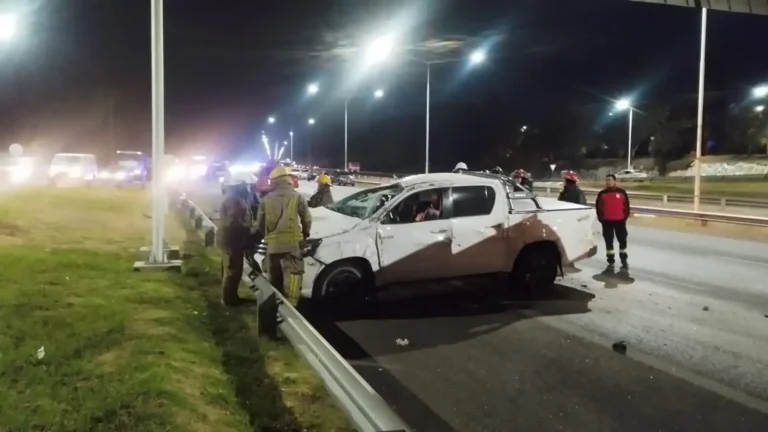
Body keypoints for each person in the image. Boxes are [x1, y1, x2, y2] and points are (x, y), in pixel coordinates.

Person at [255, 165, 312, 305]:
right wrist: (305, 234)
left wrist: (268, 236)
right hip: (293, 246)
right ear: (288, 180)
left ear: (273, 181)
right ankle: (291, 310)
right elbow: (307, 219)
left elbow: (260, 224)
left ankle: (274, 309)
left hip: (273, 247)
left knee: (274, 279)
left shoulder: (266, 200)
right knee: (293, 277)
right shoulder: (297, 196)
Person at [216, 182, 254, 306]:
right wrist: (248, 228)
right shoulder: (234, 200)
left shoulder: (232, 197)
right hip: (232, 240)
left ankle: (230, 296)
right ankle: (229, 299)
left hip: (230, 240)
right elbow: (233, 222)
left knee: (231, 269)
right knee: (232, 270)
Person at [596, 174, 631, 268]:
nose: (608, 182)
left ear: (615, 181)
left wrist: (624, 218)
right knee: (609, 241)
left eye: (610, 180)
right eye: (606, 180)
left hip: (620, 221)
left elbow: (627, 206)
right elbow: (598, 208)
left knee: (622, 240)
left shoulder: (622, 192)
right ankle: (610, 259)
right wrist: (602, 219)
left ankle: (623, 258)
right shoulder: (602, 193)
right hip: (607, 222)